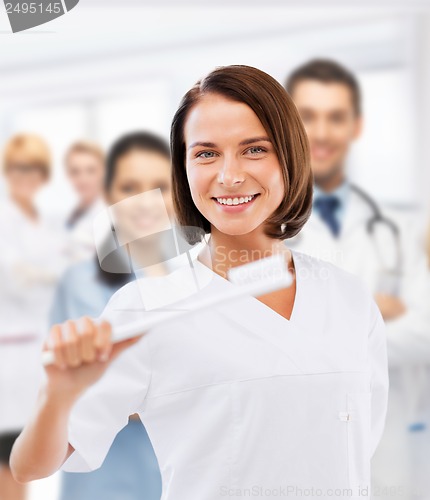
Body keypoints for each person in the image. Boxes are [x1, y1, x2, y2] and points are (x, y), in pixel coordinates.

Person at [10, 65, 388, 500]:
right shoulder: (147, 306)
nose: (228, 175)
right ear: (184, 168)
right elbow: (29, 466)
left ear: (290, 155)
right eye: (206, 153)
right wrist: (58, 394)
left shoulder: (347, 296)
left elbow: (358, 446)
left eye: (254, 149)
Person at [285, 59, 430, 500]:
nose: (323, 132)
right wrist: (371, 312)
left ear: (357, 126)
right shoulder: (260, 235)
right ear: (288, 125)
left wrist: (318, 322)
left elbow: (424, 331)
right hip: (296, 453)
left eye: (336, 117)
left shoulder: (401, 228)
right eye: (308, 116)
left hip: (391, 455)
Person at [50, 132, 172, 500]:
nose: (145, 201)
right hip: (106, 482)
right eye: (129, 186)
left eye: (160, 187)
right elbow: (91, 384)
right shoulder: (81, 283)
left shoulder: (203, 280)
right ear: (108, 197)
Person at [0, 134, 67, 500]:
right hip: (7, 359)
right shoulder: (3, 218)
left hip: (31, 358)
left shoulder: (41, 222)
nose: (26, 176)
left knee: (23, 466)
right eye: (18, 168)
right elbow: (19, 275)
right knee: (8, 462)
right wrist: (55, 273)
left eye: (34, 168)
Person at [64, 141, 106, 263]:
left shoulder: (111, 215)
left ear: (104, 172)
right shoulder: (74, 213)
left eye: (91, 170)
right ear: (68, 175)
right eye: (75, 172)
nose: (83, 179)